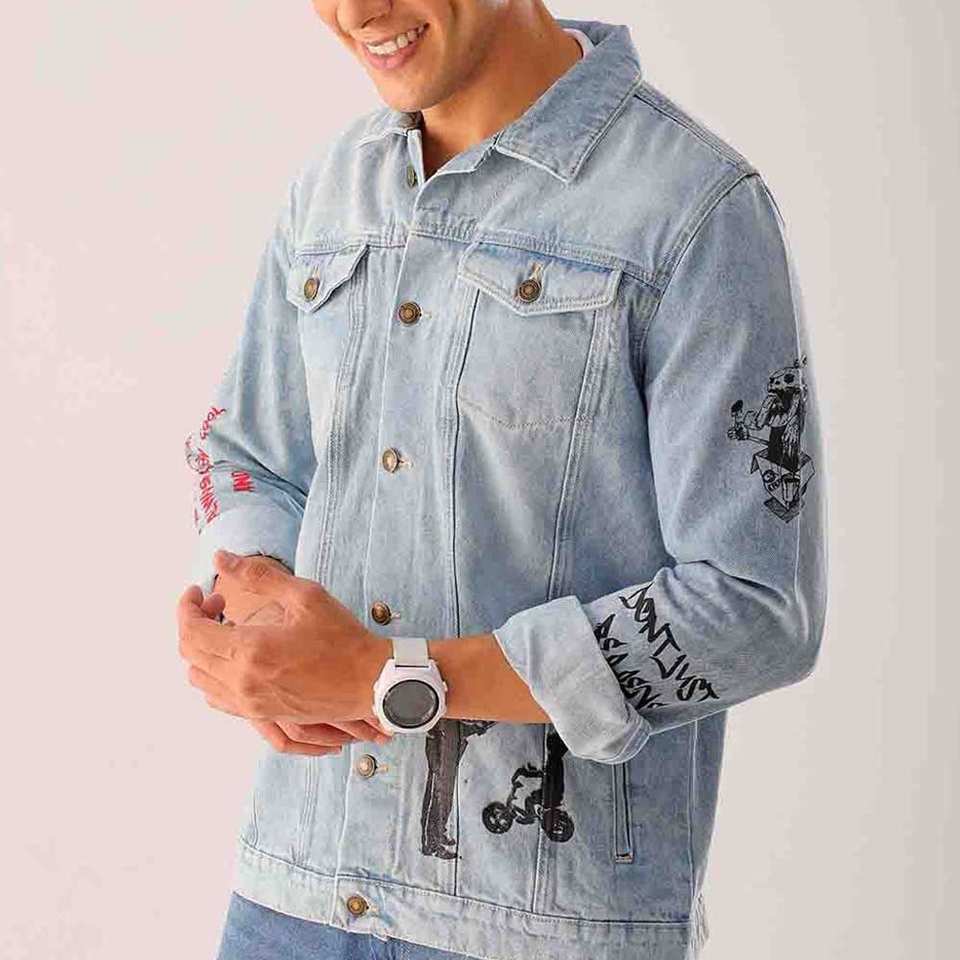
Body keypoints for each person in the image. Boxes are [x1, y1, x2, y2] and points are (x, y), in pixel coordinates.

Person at [176, 3, 829, 959]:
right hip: (296, 889)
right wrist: (258, 604)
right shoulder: (331, 192)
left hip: (542, 925)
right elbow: (247, 454)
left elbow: (759, 608)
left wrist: (391, 677)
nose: (357, 13)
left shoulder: (693, 210)